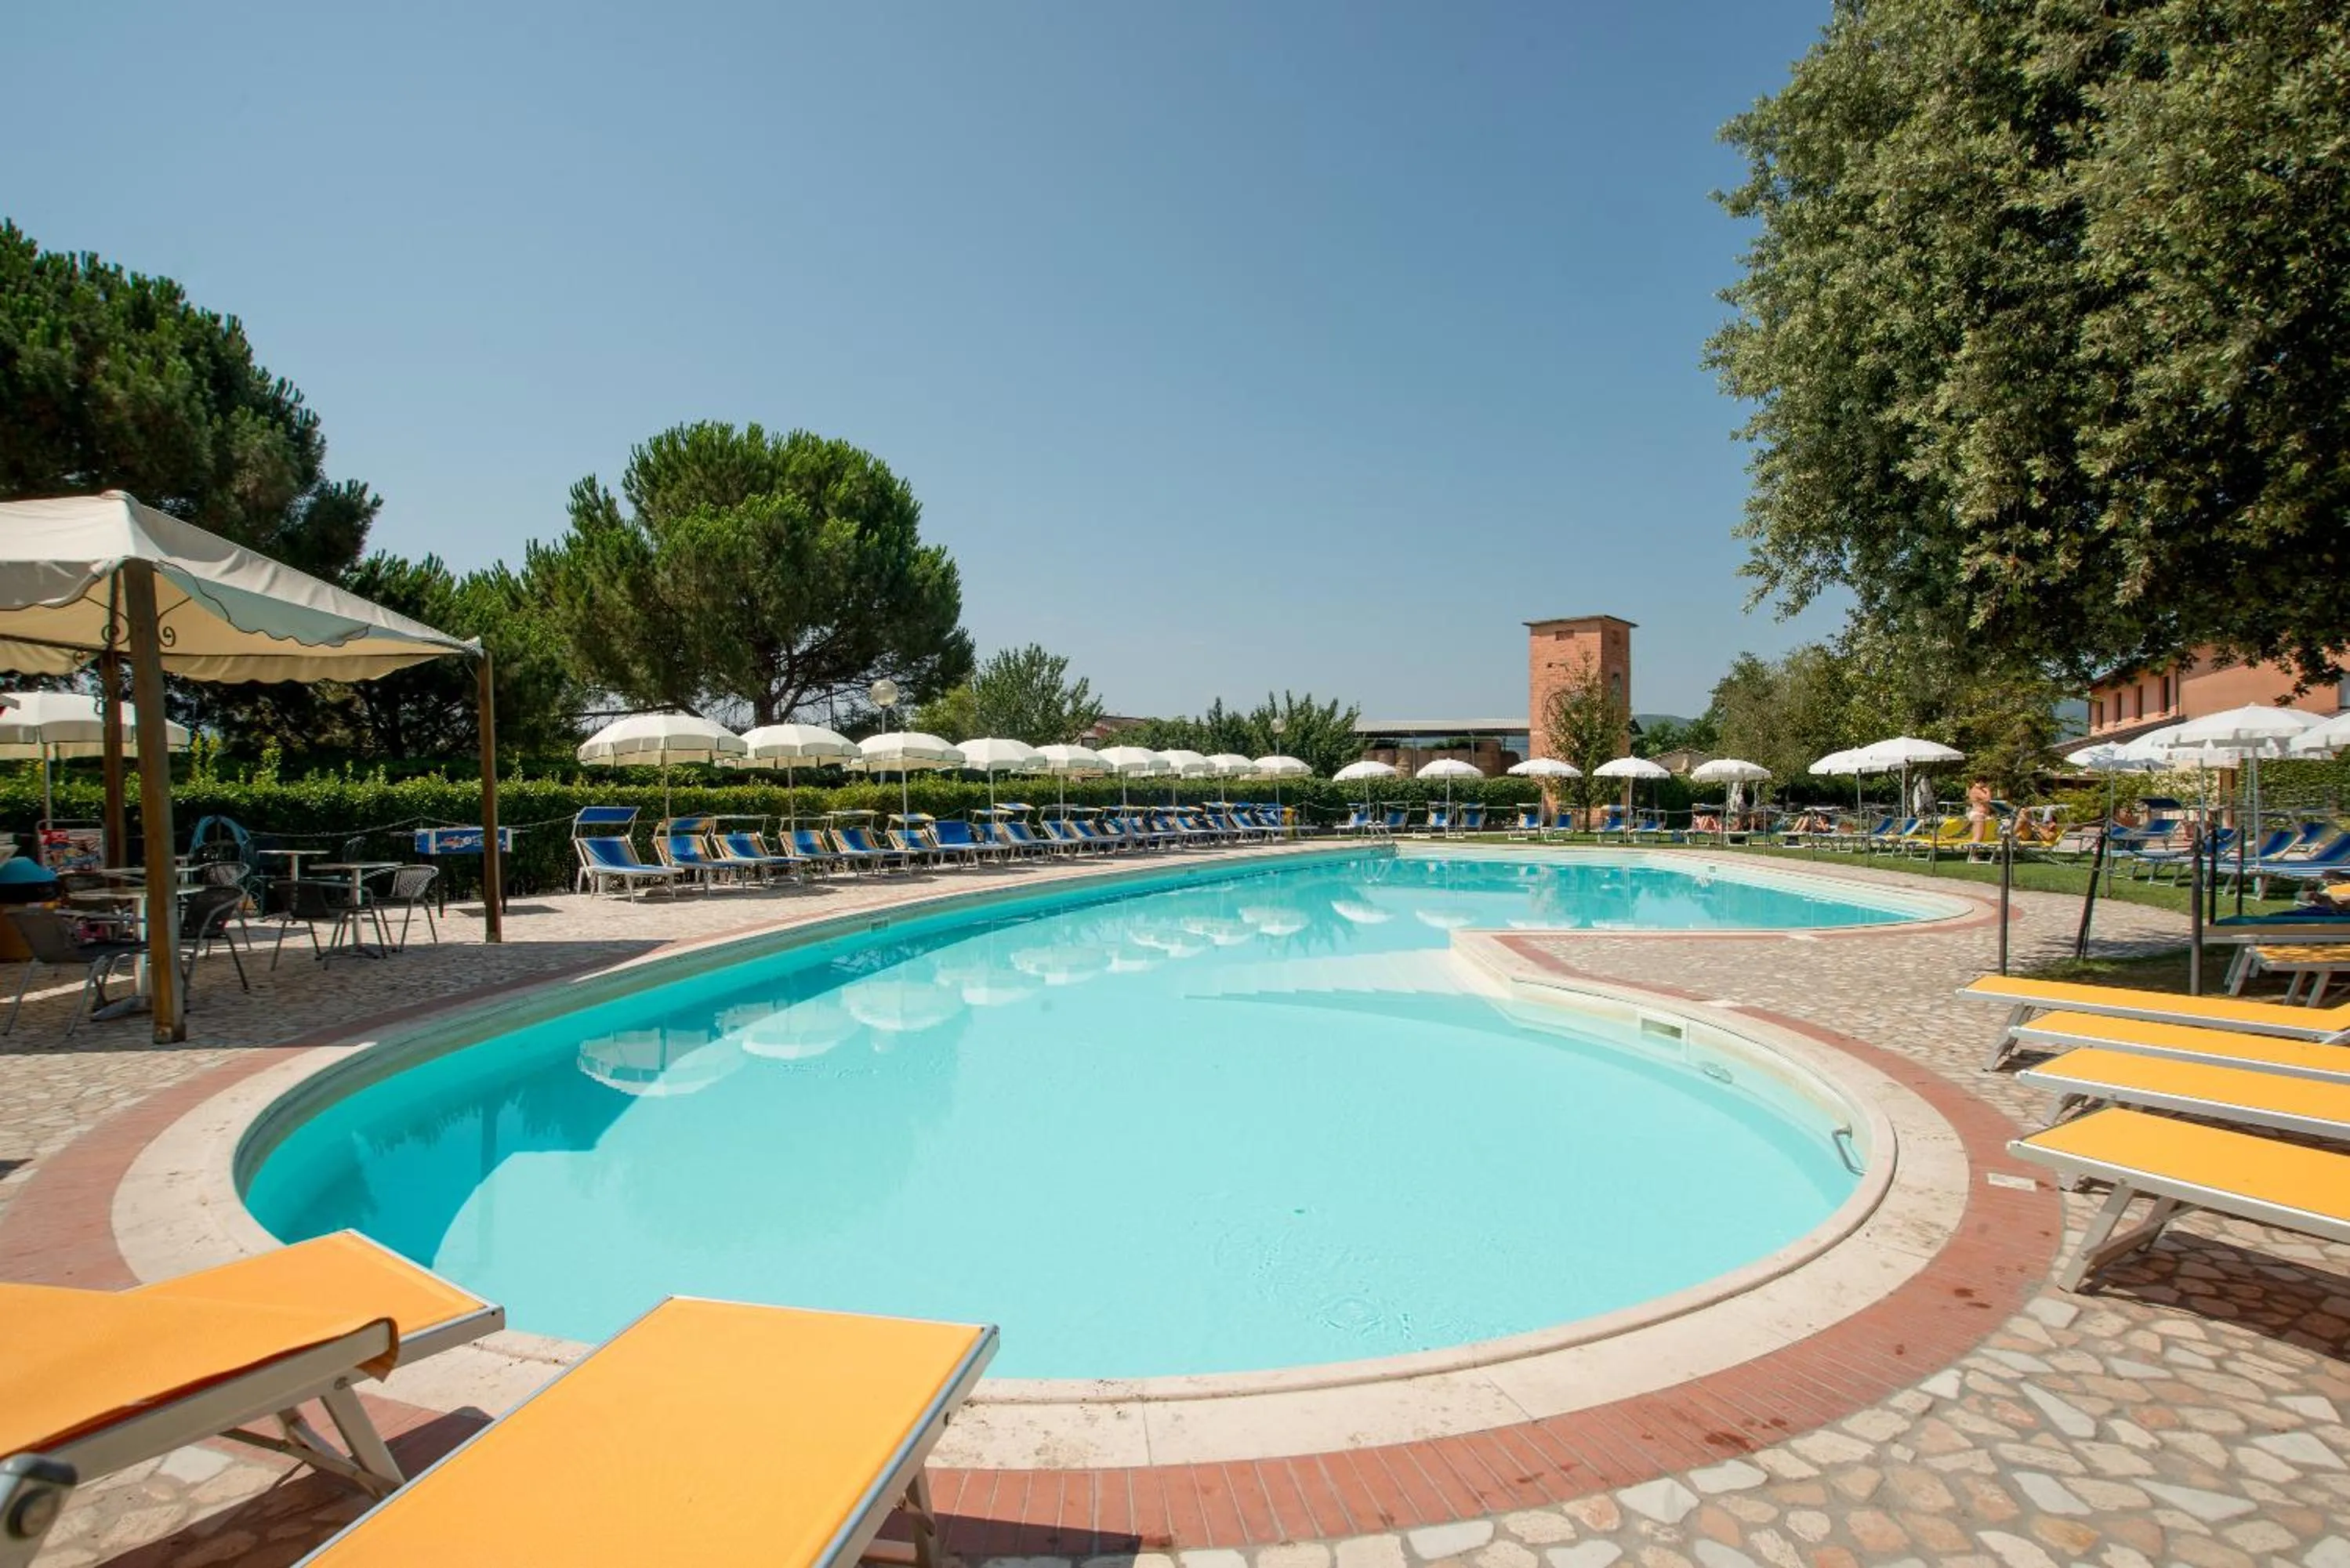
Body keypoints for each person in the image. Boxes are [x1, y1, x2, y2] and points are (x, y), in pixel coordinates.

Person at [1966, 778, 1994, 844]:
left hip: (1979, 814)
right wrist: (1988, 791)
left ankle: (1973, 854)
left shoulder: (1977, 790)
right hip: (1978, 815)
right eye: (1985, 784)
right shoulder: (1976, 790)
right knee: (1978, 837)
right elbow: (1988, 799)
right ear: (1981, 782)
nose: (1986, 786)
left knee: (1978, 837)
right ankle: (1972, 854)